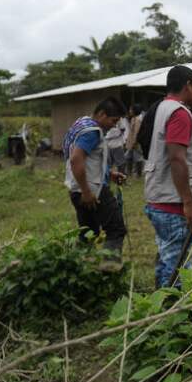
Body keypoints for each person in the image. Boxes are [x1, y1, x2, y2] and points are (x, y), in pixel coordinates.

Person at [142, 66, 192, 288]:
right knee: (179, 266)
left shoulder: (160, 108)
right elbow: (177, 158)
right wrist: (189, 202)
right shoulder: (179, 114)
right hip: (174, 204)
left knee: (167, 259)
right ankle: (173, 313)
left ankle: (159, 303)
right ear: (188, 85)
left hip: (159, 198)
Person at [63, 97, 128, 273]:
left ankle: (81, 270)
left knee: (88, 233)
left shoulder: (81, 124)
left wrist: (110, 174)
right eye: (113, 121)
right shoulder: (92, 131)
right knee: (116, 229)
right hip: (92, 191)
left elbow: (88, 160)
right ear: (101, 114)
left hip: (76, 190)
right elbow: (77, 159)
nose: (113, 126)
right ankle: (110, 271)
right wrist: (87, 191)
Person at [126, 104, 144, 177]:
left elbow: (137, 132)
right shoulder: (133, 118)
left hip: (135, 143)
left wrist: (134, 142)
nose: (129, 111)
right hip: (130, 142)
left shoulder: (138, 119)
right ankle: (129, 173)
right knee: (128, 157)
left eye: (131, 109)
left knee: (138, 158)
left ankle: (139, 174)